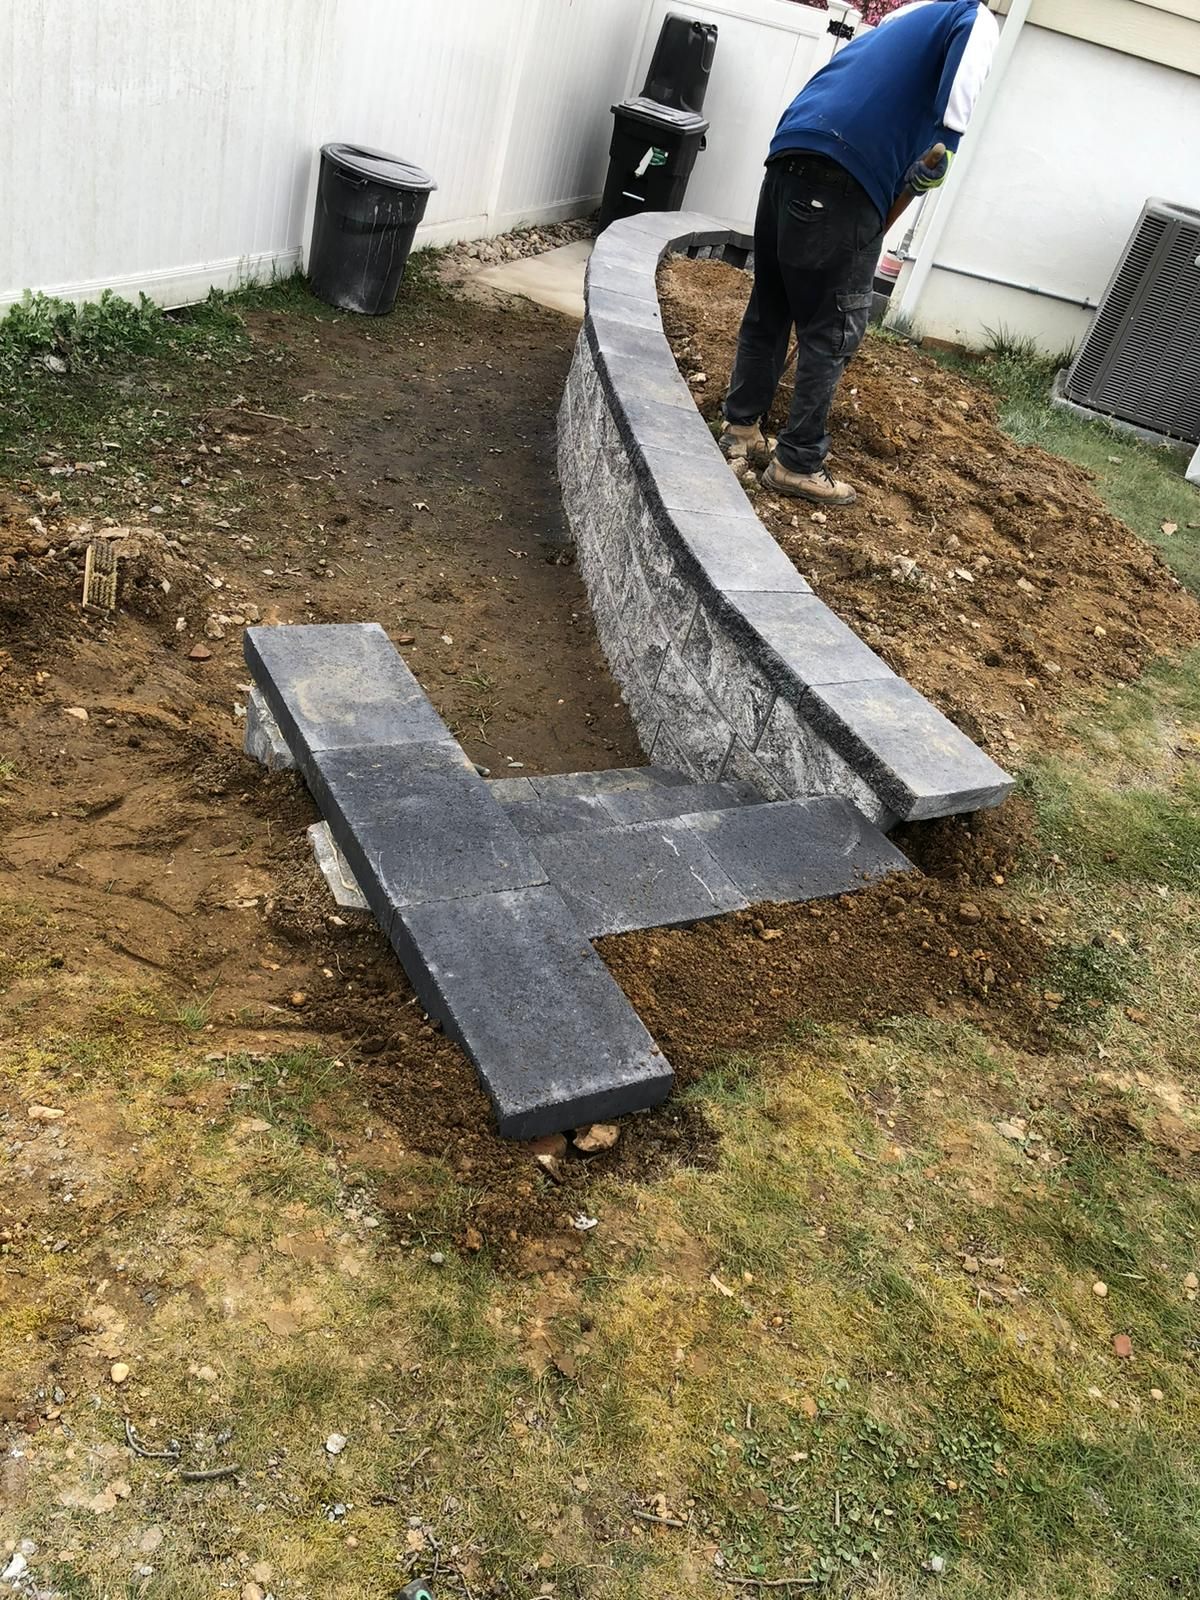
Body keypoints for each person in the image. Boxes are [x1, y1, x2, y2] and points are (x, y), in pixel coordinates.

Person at [719, 0, 999, 507]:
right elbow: (955, 106)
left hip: (791, 152)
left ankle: (740, 429)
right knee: (834, 327)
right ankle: (797, 461)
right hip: (844, 176)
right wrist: (944, 148)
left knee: (773, 303)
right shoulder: (971, 15)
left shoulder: (902, 20)